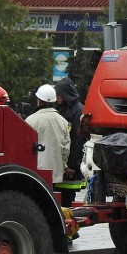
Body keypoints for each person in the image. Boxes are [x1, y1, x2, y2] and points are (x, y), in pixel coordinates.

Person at [25, 84, 71, 196]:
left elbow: (25, 147)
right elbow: (66, 148)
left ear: (39, 101)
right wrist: (63, 166)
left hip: (35, 172)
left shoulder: (31, 120)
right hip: (54, 172)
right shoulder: (63, 121)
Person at [54, 77, 87, 207]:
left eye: (59, 94)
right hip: (62, 165)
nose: (57, 97)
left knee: (67, 199)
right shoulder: (62, 109)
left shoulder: (78, 111)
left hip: (71, 167)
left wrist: (72, 165)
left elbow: (78, 141)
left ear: (65, 94)